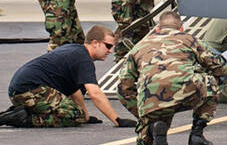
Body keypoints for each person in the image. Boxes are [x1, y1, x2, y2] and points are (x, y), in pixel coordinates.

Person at [117, 10, 227, 145]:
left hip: (152, 99)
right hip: (185, 92)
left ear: (157, 29)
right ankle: (197, 134)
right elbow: (221, 67)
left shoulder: (139, 46)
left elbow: (123, 88)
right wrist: (202, 73)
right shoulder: (188, 39)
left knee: (145, 144)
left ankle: (151, 128)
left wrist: (142, 114)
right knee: (210, 82)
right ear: (181, 29)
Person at [0, 26, 136, 129]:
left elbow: (74, 90)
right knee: (72, 116)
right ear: (95, 43)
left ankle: (21, 112)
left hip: (22, 90)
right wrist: (117, 120)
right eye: (108, 46)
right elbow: (95, 94)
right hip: (29, 90)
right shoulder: (84, 60)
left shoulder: (75, 50)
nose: (111, 51)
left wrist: (86, 116)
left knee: (79, 115)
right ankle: (20, 118)